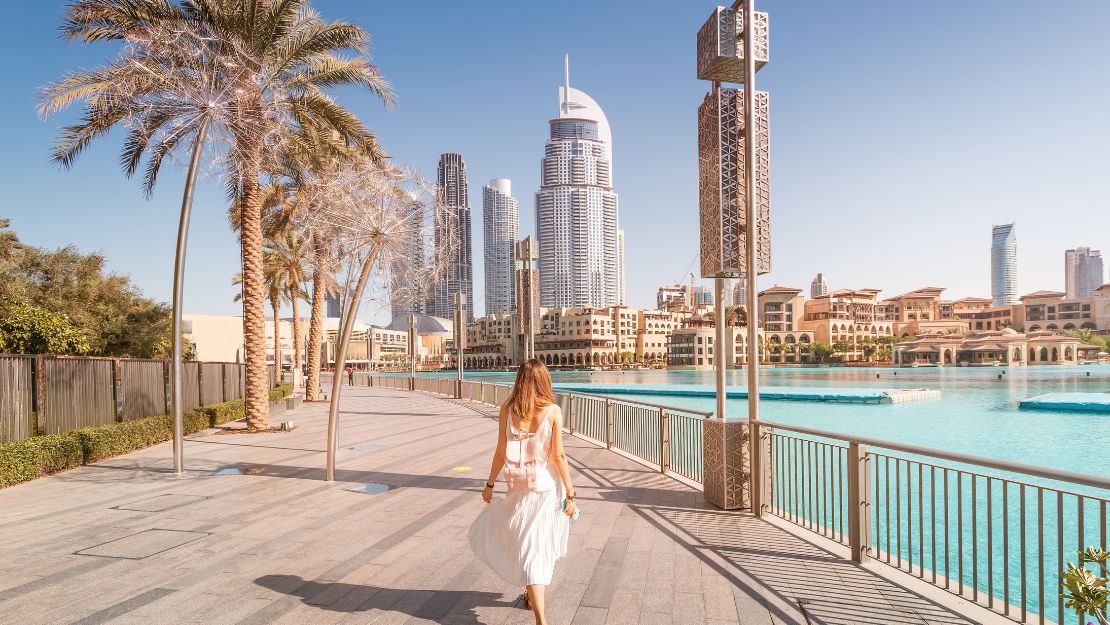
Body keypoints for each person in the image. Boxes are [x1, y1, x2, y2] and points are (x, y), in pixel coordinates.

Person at [468, 359, 576, 625]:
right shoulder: (552, 411)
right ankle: (541, 619)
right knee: (535, 548)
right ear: (544, 381)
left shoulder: (507, 409)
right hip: (545, 489)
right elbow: (559, 456)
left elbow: (500, 452)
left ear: (519, 381)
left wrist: (490, 484)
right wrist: (571, 493)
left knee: (526, 542)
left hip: (517, 486)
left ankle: (530, 597)